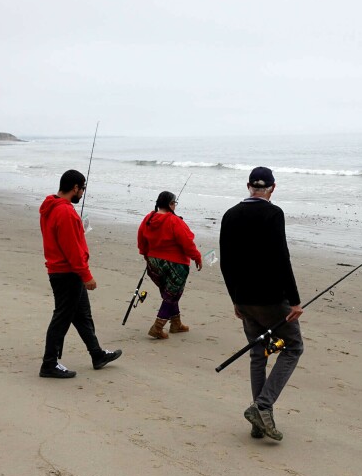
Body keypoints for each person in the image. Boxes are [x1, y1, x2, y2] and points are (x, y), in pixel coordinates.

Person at [219, 167, 303, 441]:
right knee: (293, 347)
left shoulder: (230, 214)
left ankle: (259, 422)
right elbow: (282, 257)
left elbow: (226, 262)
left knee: (259, 353)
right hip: (271, 298)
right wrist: (295, 301)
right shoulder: (273, 213)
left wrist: (236, 299)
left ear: (248, 186)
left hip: (244, 298)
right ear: (272, 188)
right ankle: (262, 407)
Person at [39, 169, 122, 378]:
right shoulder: (64, 212)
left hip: (62, 270)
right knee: (62, 317)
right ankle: (49, 363)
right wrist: (86, 275)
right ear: (75, 188)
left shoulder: (51, 207)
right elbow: (72, 249)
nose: (82, 193)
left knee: (82, 315)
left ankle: (97, 354)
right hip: (67, 273)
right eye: (82, 189)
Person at [136, 190, 203, 339]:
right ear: (171, 204)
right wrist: (197, 257)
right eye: (174, 203)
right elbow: (187, 242)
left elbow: (141, 237)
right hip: (175, 263)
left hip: (154, 261)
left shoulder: (149, 218)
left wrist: (145, 254)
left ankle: (176, 323)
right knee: (172, 295)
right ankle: (157, 327)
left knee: (169, 293)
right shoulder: (175, 221)